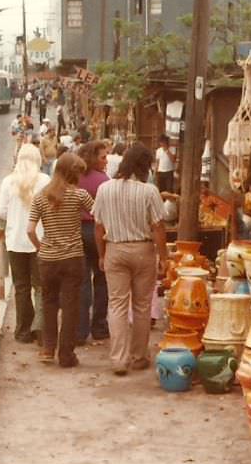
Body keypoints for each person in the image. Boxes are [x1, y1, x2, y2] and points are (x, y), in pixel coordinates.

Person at [93, 143, 168, 375]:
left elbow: (98, 226)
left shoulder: (105, 189)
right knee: (142, 306)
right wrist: (163, 257)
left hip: (115, 249)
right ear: (145, 166)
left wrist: (102, 254)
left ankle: (118, 359)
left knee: (116, 304)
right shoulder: (149, 191)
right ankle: (138, 356)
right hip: (143, 251)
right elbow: (158, 227)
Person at [27, 153, 93, 368]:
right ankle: (66, 354)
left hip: (48, 259)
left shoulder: (40, 196)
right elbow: (99, 214)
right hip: (73, 257)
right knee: (71, 306)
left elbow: (30, 230)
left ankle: (48, 348)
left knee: (49, 303)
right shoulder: (79, 195)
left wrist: (41, 248)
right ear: (72, 173)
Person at [0, 144, 51, 344]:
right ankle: (41, 328)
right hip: (39, 240)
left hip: (15, 241)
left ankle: (22, 330)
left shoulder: (8, 182)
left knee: (21, 286)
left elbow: (1, 211)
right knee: (40, 286)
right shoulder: (45, 181)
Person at [76, 141, 110, 344]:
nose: (106, 161)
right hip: (97, 230)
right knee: (101, 279)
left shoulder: (75, 178)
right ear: (92, 157)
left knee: (82, 282)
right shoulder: (103, 181)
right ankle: (99, 326)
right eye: (103, 157)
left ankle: (80, 330)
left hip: (76, 231)